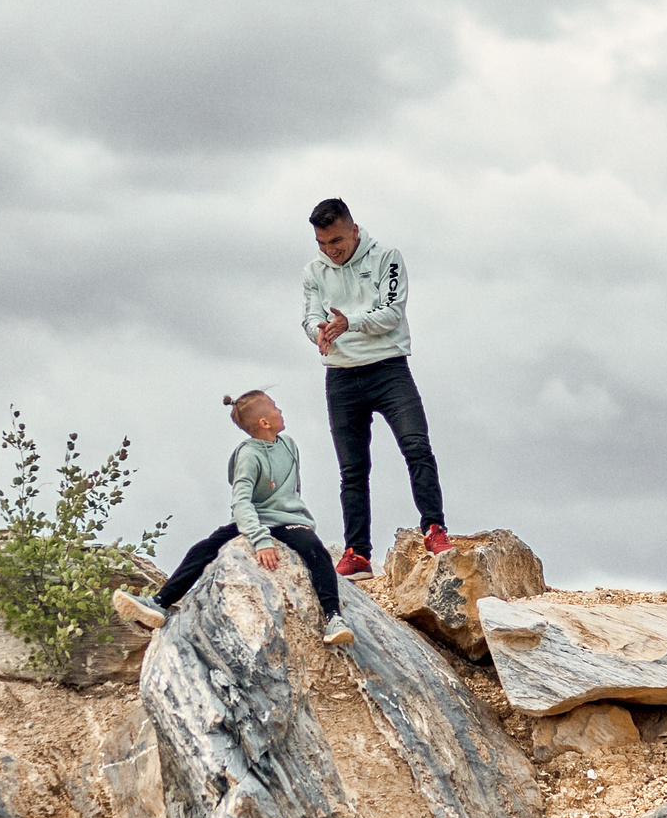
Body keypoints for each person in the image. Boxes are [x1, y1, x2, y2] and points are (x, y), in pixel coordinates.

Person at [112, 389, 354, 643]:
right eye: (275, 407)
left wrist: (299, 520)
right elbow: (241, 502)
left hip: (289, 520)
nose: (280, 410)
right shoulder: (248, 455)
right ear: (264, 422)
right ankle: (159, 603)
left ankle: (334, 618)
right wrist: (260, 539)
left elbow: (293, 490)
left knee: (316, 552)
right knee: (205, 549)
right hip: (254, 519)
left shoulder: (289, 445)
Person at [300, 198, 448, 578]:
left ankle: (434, 529)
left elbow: (392, 313)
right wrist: (318, 331)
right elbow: (310, 315)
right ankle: (357, 553)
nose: (330, 250)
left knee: (416, 447)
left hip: (389, 369)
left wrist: (350, 323)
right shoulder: (314, 271)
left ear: (353, 230)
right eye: (322, 243)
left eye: (336, 241)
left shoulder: (386, 257)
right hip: (341, 375)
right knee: (352, 470)